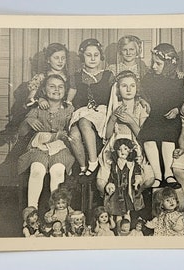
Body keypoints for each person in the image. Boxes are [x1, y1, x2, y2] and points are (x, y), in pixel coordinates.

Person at [17, 74, 75, 209]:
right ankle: (32, 209)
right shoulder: (37, 108)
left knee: (58, 170)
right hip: (39, 147)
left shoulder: (69, 109)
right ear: (43, 90)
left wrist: (61, 136)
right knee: (37, 169)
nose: (56, 89)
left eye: (60, 87)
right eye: (52, 86)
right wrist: (28, 121)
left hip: (60, 148)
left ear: (65, 91)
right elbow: (22, 133)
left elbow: (71, 132)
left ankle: (56, 210)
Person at [138, 43, 184, 188]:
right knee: (148, 136)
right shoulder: (149, 78)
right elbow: (141, 93)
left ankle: (168, 173)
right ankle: (157, 175)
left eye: (158, 64)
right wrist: (142, 100)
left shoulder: (179, 80)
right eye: (153, 62)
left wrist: (178, 109)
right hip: (154, 114)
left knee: (168, 135)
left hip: (171, 117)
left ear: (168, 64)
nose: (154, 66)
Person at [97, 70, 153, 193]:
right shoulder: (115, 106)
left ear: (137, 88)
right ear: (117, 89)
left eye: (132, 86)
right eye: (124, 86)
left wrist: (131, 121)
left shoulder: (140, 107)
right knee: (101, 183)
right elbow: (107, 135)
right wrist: (113, 118)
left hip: (134, 145)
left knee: (149, 180)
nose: (128, 89)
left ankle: (134, 196)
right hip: (115, 144)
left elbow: (142, 136)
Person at [67, 38, 114, 176]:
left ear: (101, 56)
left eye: (96, 55)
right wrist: (68, 106)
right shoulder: (76, 77)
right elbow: (70, 97)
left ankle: (93, 162)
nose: (93, 58)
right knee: (73, 135)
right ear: (82, 57)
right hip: (81, 112)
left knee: (84, 122)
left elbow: (115, 97)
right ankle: (83, 167)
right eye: (88, 55)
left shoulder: (108, 75)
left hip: (101, 112)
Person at [103, 138, 145, 222]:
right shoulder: (114, 164)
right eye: (119, 149)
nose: (122, 152)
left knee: (127, 209)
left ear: (130, 150)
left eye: (125, 149)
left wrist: (137, 180)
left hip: (128, 190)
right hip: (117, 190)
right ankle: (118, 224)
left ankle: (127, 222)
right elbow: (112, 175)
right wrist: (110, 183)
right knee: (117, 210)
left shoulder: (132, 164)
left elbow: (137, 173)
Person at [26, 42, 71, 109]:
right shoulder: (40, 77)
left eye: (63, 58)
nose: (60, 61)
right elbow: (29, 99)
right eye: (56, 58)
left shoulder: (69, 78)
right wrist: (39, 100)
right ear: (48, 60)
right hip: (43, 111)